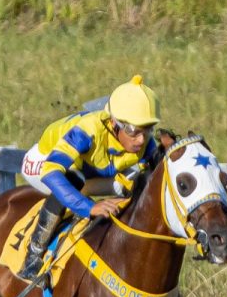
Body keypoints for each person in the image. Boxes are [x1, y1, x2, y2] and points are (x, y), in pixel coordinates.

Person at [16, 75, 161, 281]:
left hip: (89, 172)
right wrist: (89, 207)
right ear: (114, 123)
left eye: (148, 130)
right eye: (133, 131)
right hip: (43, 162)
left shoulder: (145, 142)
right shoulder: (87, 131)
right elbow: (50, 172)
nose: (141, 140)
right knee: (73, 179)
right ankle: (33, 256)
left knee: (136, 182)